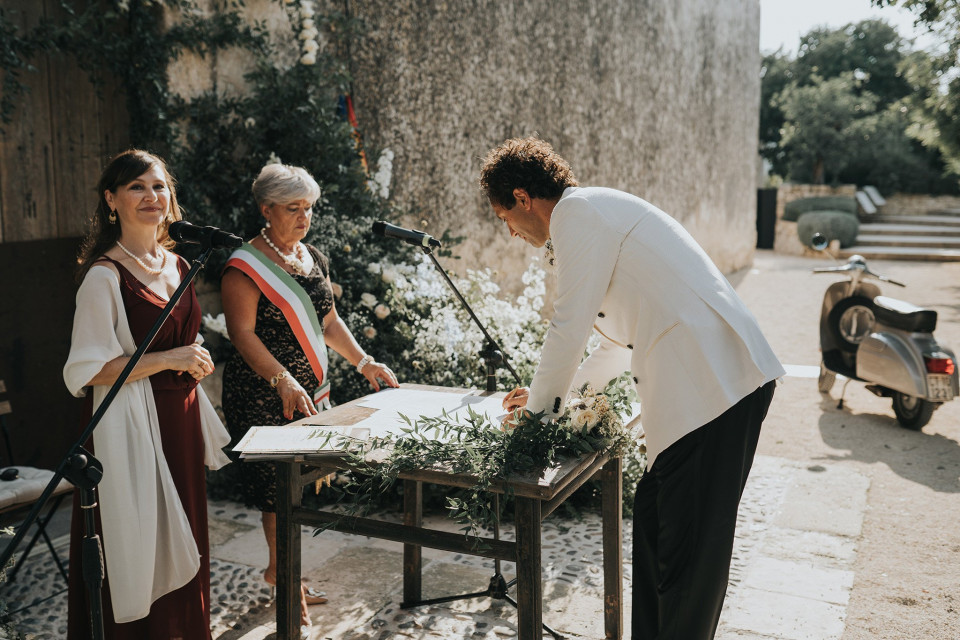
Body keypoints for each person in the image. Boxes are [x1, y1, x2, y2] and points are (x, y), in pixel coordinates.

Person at [482, 137, 785, 640]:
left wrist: (535, 420)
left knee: (686, 561)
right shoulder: (593, 215)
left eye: (504, 217)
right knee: (652, 526)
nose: (510, 231)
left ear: (522, 197)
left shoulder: (578, 213)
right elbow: (615, 346)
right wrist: (557, 397)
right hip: (703, 393)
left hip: (713, 388)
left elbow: (568, 325)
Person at [221, 162, 399, 634]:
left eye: (309, 208)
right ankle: (285, 579)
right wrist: (281, 379)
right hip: (262, 393)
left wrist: (364, 362)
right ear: (266, 209)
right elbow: (241, 334)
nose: (304, 218)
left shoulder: (312, 256)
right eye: (293, 209)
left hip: (309, 395)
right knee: (275, 493)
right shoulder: (244, 266)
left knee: (298, 489)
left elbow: (329, 322)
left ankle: (283, 570)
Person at [63, 149, 232, 639]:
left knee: (184, 537)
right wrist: (171, 358)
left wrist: (191, 357)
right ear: (111, 199)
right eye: (136, 187)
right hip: (129, 427)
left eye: (159, 186)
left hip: (180, 420)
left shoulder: (179, 263)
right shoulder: (104, 276)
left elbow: (178, 340)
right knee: (137, 541)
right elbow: (88, 370)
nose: (151, 196)